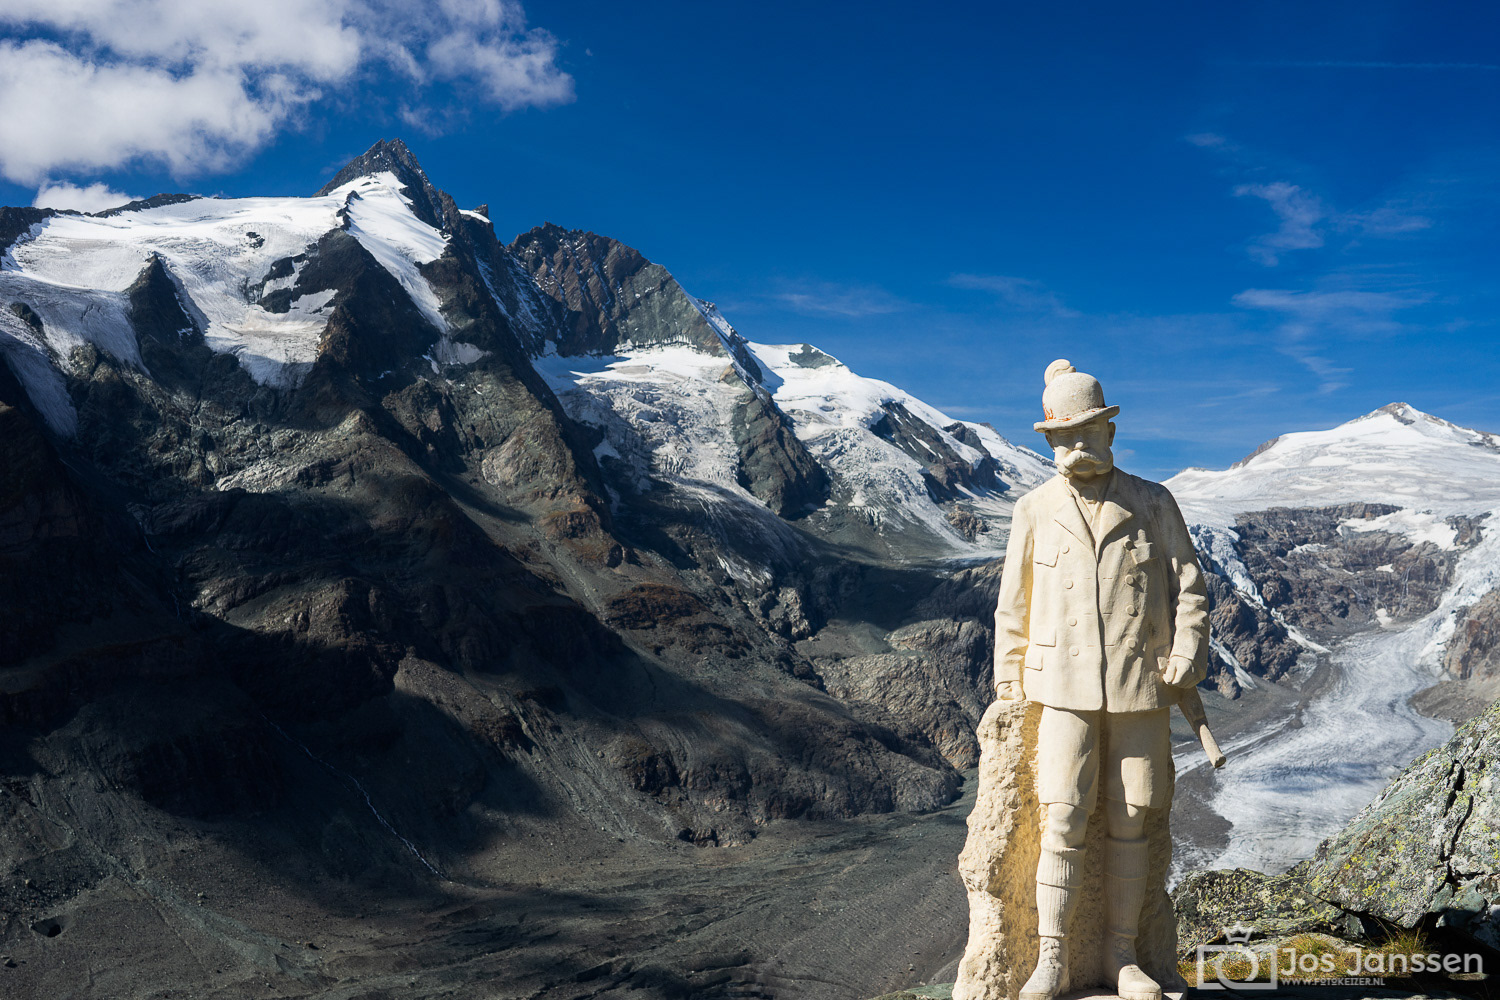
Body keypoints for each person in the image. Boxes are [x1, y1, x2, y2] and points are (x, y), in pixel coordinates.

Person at [995, 359, 1209, 1000]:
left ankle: (1122, 956)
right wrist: (1009, 680)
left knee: (1132, 816)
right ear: (1049, 441)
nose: (1078, 447)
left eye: (1089, 433)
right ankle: (1052, 958)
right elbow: (1014, 604)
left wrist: (1187, 651)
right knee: (1062, 814)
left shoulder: (1152, 501)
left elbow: (1190, 586)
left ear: (1111, 432)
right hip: (1060, 687)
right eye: (1064, 437)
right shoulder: (1033, 510)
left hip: (1139, 684)